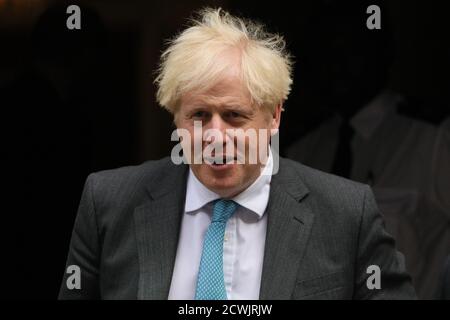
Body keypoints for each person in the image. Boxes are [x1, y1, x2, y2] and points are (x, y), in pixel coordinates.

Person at [59, 8, 416, 300]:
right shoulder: (109, 203)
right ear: (176, 117)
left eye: (234, 116)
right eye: (199, 116)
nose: (216, 136)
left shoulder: (346, 213)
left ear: (273, 116)